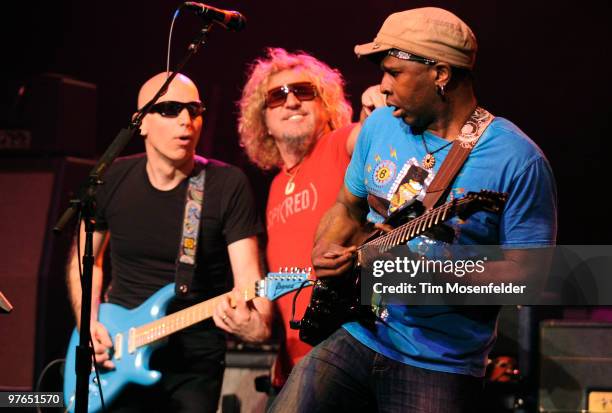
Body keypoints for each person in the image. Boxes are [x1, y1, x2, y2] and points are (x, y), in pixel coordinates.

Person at [270, 7, 557, 412]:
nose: (382, 87)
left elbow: (530, 276)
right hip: (356, 332)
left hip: (439, 364)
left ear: (440, 74)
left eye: (393, 72)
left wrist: (426, 277)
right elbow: (347, 207)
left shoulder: (517, 160)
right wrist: (327, 246)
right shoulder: (380, 126)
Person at [66, 72, 273, 412]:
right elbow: (86, 260)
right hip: (116, 349)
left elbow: (249, 275)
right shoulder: (110, 179)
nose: (186, 121)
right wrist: (87, 323)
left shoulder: (225, 184)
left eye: (194, 110)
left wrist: (258, 326)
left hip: (193, 360)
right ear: (141, 122)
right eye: (171, 109)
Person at [237, 48, 384, 395]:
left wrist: (376, 111)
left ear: (325, 106)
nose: (291, 102)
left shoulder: (338, 145)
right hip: (291, 366)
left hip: (343, 360)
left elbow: (365, 136)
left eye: (304, 92)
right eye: (278, 96)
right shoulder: (274, 186)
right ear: (263, 119)